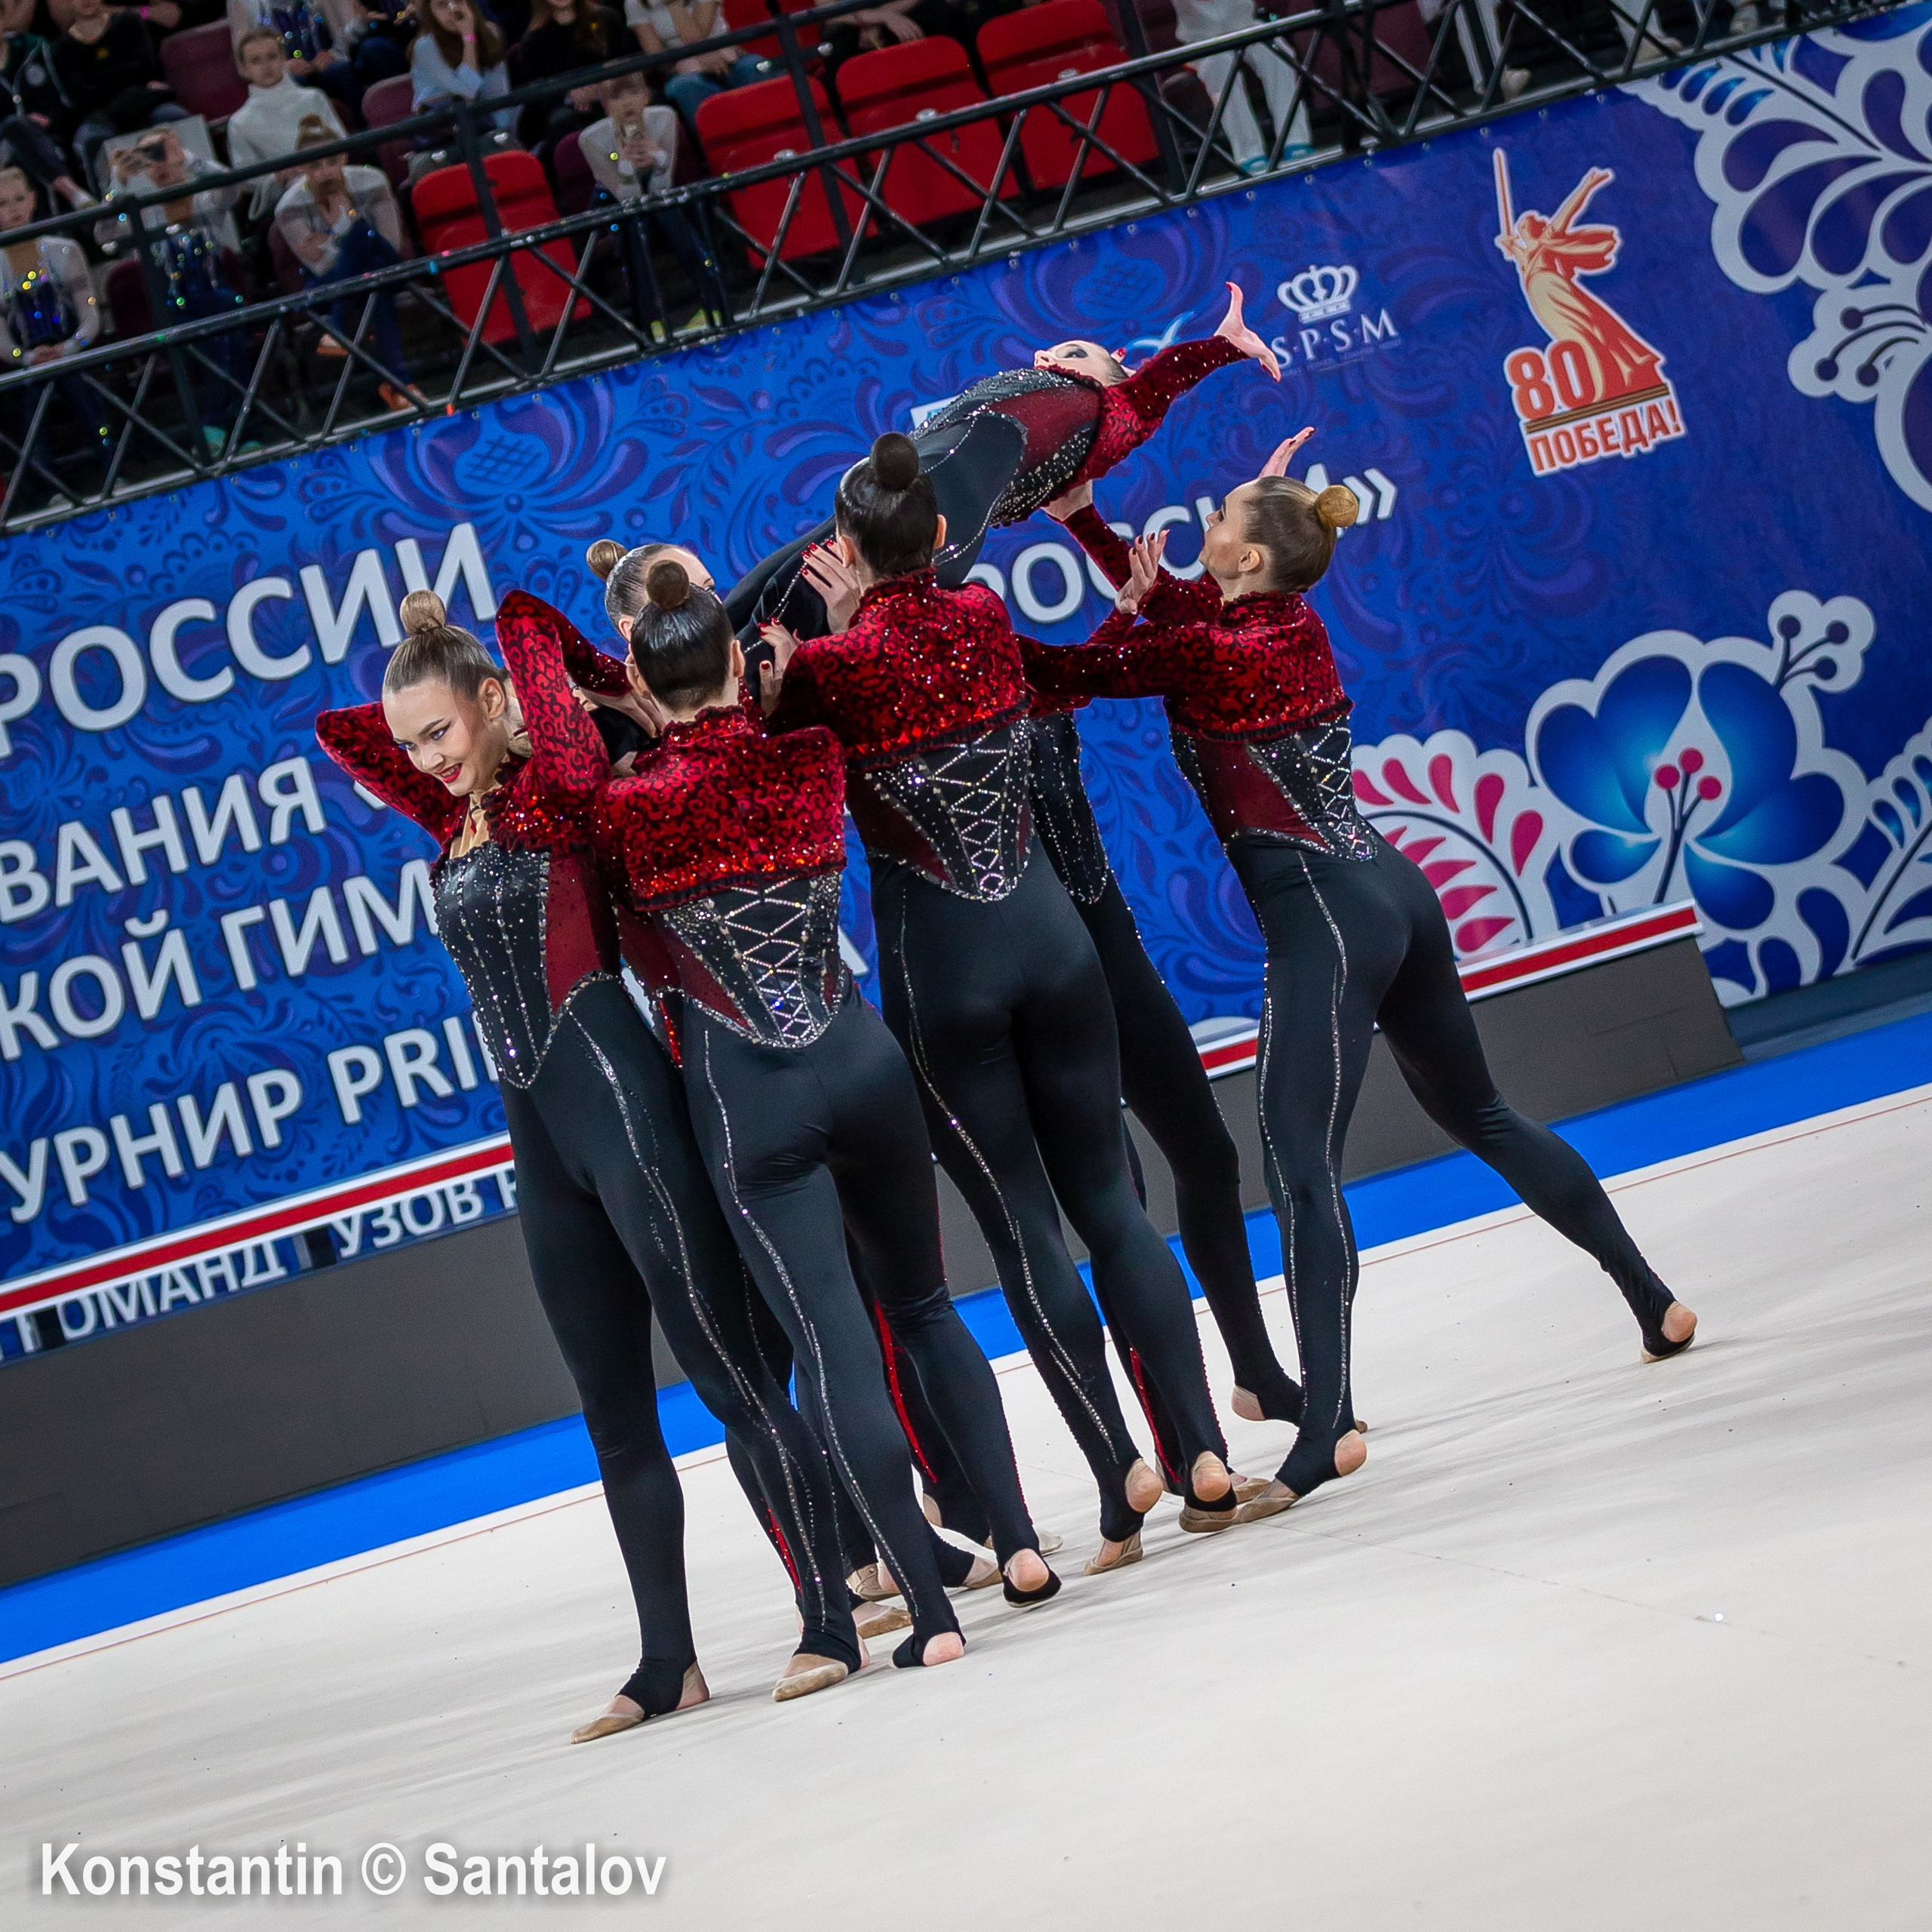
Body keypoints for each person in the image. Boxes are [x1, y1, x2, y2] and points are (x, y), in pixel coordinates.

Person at [1031, 442, 1701, 1515]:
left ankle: (1328, 1422)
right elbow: (1186, 611)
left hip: (1324, 918)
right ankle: (1652, 1298)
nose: (1201, 530)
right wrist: (1085, 521)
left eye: (1219, 523)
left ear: (1245, 556)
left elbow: (1068, 675)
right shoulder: (1284, 620)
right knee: (1481, 1109)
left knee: (1301, 1167)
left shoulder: (1210, 649)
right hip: (1393, 887)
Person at [316, 589, 875, 1737]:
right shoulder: (457, 816)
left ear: (495, 706)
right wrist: (429, 652)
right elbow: (346, 735)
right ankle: (668, 1659)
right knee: (614, 1417)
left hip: (627, 1118)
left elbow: (524, 629)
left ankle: (829, 1612)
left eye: (443, 731)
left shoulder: (558, 793)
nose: (425, 758)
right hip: (544, 1148)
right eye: (415, 743)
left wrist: (527, 667)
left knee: (732, 1381)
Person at [554, 552, 1065, 1663]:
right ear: (740, 664)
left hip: (751, 1098)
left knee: (834, 1350)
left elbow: (615, 922)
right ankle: (1019, 1541)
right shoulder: (812, 755)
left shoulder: (622, 813)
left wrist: (607, 710)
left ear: (642, 686)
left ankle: (927, 1616)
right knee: (926, 1314)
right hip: (862, 1059)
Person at [761, 432, 1241, 1575]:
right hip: (1054, 946)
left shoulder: (829, 672)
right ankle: (1205, 1449)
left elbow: (766, 758)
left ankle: (1117, 1463)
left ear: (845, 554)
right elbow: (1046, 670)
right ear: (937, 537)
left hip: (947, 976)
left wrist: (813, 649)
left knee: (1025, 1223)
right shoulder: (980, 617)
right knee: (1115, 1206)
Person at [727, 281, 1281, 642]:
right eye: (1047, 353)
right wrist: (1079, 516)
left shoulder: (1102, 408)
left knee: (784, 621)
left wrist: (1223, 346)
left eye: (1069, 353)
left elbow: (1149, 391)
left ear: (1111, 376)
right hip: (902, 501)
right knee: (758, 593)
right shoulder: (1053, 426)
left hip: (926, 521)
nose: (1044, 357)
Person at [97, 124, 249, 449]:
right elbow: (104, 235)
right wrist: (116, 182)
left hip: (216, 294)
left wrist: (191, 159)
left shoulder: (206, 196)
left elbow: (235, 186)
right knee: (220, 334)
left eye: (167, 154)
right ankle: (240, 429)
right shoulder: (142, 210)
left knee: (226, 320)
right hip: (173, 307)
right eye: (152, 158)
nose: (162, 164)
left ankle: (216, 430)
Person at [274, 113, 415, 408]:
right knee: (374, 280)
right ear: (301, 168)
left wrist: (333, 237)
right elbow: (320, 267)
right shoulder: (289, 206)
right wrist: (353, 237)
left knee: (365, 238)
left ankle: (336, 331)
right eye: (314, 165)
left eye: (331, 162)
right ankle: (401, 385)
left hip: (384, 265)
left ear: (344, 157)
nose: (325, 172)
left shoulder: (372, 180)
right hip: (331, 285)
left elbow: (390, 243)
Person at [577, 66, 726, 335]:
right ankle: (650, 322)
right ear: (605, 106)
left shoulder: (663, 119)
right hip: (613, 200)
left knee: (672, 214)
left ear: (647, 95)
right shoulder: (592, 139)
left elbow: (662, 185)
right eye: (617, 97)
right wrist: (625, 165)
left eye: (634, 92)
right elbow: (627, 196)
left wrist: (657, 160)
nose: (628, 102)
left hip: (660, 192)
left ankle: (714, 304)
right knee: (633, 226)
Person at [0, 160, 109, 486]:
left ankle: (110, 470)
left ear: (33, 200)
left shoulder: (64, 251)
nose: (14, 210)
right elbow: (1, 338)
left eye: (19, 200)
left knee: (83, 392)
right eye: (3, 204)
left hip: (71, 350)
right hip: (28, 363)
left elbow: (90, 312)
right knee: (33, 406)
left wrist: (72, 346)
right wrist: (28, 358)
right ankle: (50, 488)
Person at [52, 0, 187, 191]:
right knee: (89, 139)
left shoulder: (128, 23)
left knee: (173, 116)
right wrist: (125, 79)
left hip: (144, 105)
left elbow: (147, 68)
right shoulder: (62, 48)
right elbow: (80, 97)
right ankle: (112, 211)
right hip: (101, 115)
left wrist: (101, 80)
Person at [1169, 0, 1309, 173]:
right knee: (1219, 67)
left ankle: (1296, 142)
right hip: (1201, 37)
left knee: (1279, 54)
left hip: (1246, 24)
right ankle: (1250, 155)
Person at [226, 25, 345, 217]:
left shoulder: (314, 98)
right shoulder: (240, 122)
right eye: (256, 61)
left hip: (334, 180)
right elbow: (247, 177)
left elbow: (341, 140)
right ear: (244, 69)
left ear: (283, 58)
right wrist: (278, 177)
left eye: (272, 57)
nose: (266, 66)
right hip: (287, 194)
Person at [623, 0, 763, 134]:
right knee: (686, 86)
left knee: (754, 66)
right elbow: (657, 54)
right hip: (683, 67)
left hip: (726, 55)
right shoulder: (635, 3)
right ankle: (715, 147)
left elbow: (699, 38)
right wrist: (674, 5)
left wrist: (675, 5)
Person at [1, 22, 95, 211]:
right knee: (14, 127)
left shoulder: (35, 47)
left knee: (38, 153)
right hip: (3, 144)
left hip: (51, 133)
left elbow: (67, 94)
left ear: (4, 19)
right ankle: (74, 194)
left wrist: (50, 118)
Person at [508, 0, 620, 148]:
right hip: (565, 109)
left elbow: (625, 60)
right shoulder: (534, 41)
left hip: (614, 95)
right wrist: (570, 95)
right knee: (561, 121)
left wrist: (603, 86)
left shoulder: (606, 19)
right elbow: (536, 93)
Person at [225, 0, 367, 113]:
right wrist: (282, 66)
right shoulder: (242, 3)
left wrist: (334, 54)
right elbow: (243, 59)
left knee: (342, 71)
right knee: (295, 83)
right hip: (284, 73)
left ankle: (364, 139)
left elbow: (350, 28)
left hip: (328, 62)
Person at [409, 0, 514, 135]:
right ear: (431, 13)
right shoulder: (425, 47)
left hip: (488, 127)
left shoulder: (491, 32)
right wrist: (469, 37)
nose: (453, 9)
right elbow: (467, 92)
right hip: (446, 133)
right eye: (442, 5)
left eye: (457, 1)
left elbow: (499, 95)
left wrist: (502, 136)